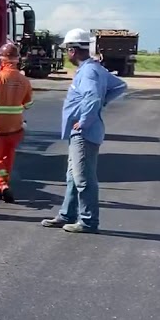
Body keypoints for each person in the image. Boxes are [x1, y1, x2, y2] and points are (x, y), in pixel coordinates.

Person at [41, 28, 127, 233]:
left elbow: (92, 96)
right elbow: (120, 86)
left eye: (66, 50)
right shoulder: (94, 69)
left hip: (83, 133)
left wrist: (85, 120)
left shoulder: (89, 71)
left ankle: (88, 221)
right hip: (81, 131)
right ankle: (66, 215)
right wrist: (101, 103)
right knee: (72, 176)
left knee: (83, 178)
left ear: (72, 50)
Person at [0, 42, 34, 203]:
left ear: (2, 60)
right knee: (6, 159)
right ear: (17, 59)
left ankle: (1, 186)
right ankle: (4, 184)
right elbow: (28, 104)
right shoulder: (24, 80)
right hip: (15, 129)